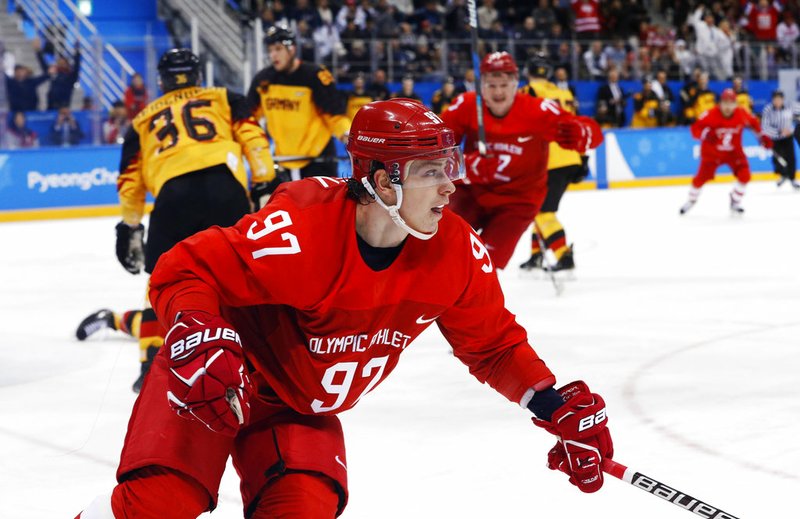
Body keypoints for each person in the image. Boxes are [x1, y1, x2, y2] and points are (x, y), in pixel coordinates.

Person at [74, 97, 613, 519]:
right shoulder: (301, 231)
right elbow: (184, 268)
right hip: (219, 374)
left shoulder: (457, 252)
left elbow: (493, 345)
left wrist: (550, 403)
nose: (451, 187)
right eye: (431, 171)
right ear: (383, 180)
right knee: (158, 507)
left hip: (297, 407)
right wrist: (197, 336)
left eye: (448, 167)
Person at [74, 48, 275, 392]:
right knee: (244, 276)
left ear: (162, 80)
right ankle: (265, 357)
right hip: (224, 187)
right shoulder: (225, 97)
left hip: (172, 197)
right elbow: (254, 140)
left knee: (163, 288)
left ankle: (150, 364)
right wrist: (265, 184)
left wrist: (130, 225)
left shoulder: (141, 120)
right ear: (198, 76)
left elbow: (130, 181)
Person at [440, 52, 602, 270]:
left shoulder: (537, 111)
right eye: (491, 85)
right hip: (471, 192)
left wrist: (582, 133)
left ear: (515, 84)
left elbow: (592, 133)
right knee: (437, 243)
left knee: (484, 266)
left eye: (504, 85)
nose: (498, 92)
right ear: (481, 85)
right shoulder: (466, 105)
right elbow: (434, 150)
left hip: (517, 202)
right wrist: (466, 164)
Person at [247, 25, 349, 199]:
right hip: (283, 161)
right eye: (270, 50)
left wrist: (348, 136)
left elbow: (335, 115)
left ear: (292, 48)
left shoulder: (315, 76)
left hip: (317, 160)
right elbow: (249, 118)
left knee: (322, 215)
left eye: (278, 49)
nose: (273, 55)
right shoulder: (263, 80)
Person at [518, 54, 588, 272]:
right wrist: (583, 158)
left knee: (544, 212)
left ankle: (563, 255)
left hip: (549, 160)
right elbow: (576, 125)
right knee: (538, 208)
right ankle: (537, 255)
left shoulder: (528, 92)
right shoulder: (563, 93)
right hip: (570, 156)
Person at [679, 88, 773, 215]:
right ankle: (691, 200)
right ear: (720, 103)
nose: (728, 107)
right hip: (712, 153)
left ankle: (735, 200)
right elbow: (694, 129)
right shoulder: (710, 114)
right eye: (725, 103)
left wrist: (762, 136)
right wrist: (706, 134)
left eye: (731, 103)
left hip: (734, 153)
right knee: (700, 179)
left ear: (735, 104)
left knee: (745, 175)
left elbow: (754, 123)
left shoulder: (741, 113)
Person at [761, 90, 798, 188]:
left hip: (788, 137)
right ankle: (783, 175)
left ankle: (792, 179)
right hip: (775, 138)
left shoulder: (790, 106)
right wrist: (779, 132)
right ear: (772, 100)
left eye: (779, 99)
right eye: (775, 99)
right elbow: (765, 127)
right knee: (777, 160)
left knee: (791, 158)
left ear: (783, 99)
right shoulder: (767, 110)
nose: (777, 101)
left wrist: (791, 129)